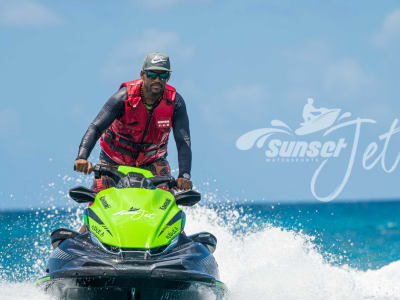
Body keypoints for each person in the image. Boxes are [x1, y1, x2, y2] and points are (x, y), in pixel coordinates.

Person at [74, 52, 193, 195]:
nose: (157, 79)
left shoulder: (175, 102)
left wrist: (184, 176)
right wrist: (82, 157)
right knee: (100, 199)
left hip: (153, 162)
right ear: (142, 74)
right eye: (152, 74)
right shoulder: (124, 97)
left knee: (167, 199)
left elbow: (183, 142)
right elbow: (96, 128)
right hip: (113, 162)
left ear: (168, 77)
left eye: (162, 75)